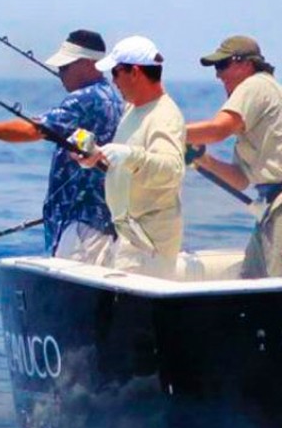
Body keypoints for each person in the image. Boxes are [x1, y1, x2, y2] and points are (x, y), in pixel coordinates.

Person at [0, 30, 123, 264]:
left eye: (65, 66)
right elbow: (48, 125)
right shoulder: (112, 96)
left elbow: (33, 131)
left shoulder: (83, 98)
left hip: (81, 226)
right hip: (102, 219)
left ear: (87, 64)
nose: (60, 71)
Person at [77, 36, 185, 278]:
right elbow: (129, 165)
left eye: (116, 73)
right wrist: (96, 157)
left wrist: (129, 155)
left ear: (134, 72)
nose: (113, 81)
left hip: (149, 243)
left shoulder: (164, 115)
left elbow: (173, 170)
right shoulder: (133, 110)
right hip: (129, 235)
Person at [185, 36, 282, 278]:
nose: (218, 75)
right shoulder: (259, 98)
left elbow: (218, 129)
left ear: (246, 64)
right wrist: (204, 159)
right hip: (270, 208)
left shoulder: (255, 85)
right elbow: (241, 180)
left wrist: (165, 131)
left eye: (223, 65)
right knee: (250, 283)